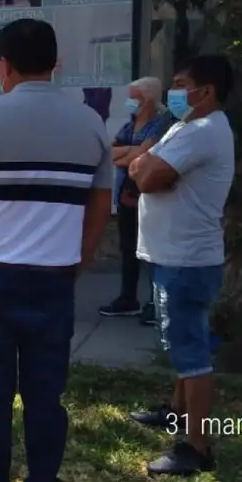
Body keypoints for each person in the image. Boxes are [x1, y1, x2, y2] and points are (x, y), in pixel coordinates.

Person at [0, 18, 113, 482]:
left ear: (5, 65)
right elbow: (100, 203)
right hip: (55, 279)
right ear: (55, 64)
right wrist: (80, 259)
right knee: (45, 396)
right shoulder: (89, 122)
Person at [127, 54, 235, 476]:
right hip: (173, 254)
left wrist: (145, 167)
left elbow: (148, 175)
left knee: (189, 349)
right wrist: (145, 165)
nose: (174, 92)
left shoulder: (204, 131)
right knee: (184, 342)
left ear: (205, 91)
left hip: (186, 259)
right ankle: (176, 411)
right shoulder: (184, 126)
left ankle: (197, 447)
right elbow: (142, 161)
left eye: (180, 83)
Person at [99, 77, 174, 323]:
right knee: (128, 248)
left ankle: (156, 304)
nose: (129, 102)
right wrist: (130, 154)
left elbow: (144, 155)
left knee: (152, 250)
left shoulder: (160, 123)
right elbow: (111, 151)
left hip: (148, 195)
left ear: (148, 99)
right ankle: (128, 298)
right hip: (125, 195)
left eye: (134, 97)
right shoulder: (130, 125)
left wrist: (131, 154)